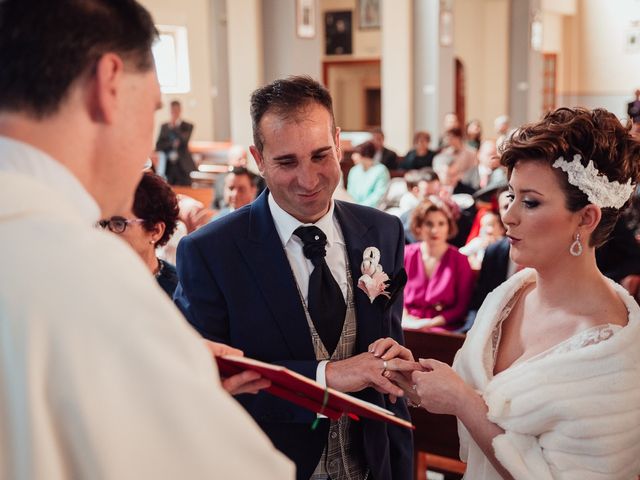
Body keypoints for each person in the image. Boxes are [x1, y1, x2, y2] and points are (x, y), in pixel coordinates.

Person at [0, 1, 294, 478]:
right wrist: (186, 384)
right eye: (153, 108)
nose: (147, 147)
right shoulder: (90, 271)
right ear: (109, 83)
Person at [174, 75, 413, 480]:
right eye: (286, 162)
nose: (308, 179)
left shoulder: (384, 232)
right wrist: (326, 376)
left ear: (339, 142)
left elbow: (387, 360)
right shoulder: (210, 252)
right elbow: (200, 382)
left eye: (321, 155)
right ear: (258, 157)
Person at [389, 107, 640, 479]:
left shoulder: (614, 351)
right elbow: (466, 384)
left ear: (586, 219)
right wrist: (414, 377)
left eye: (531, 202)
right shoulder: (509, 295)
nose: (508, 216)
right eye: (511, 196)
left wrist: (462, 400)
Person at [100, 171, 180, 297]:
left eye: (119, 224)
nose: (105, 233)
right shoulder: (91, 278)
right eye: (103, 223)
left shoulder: (179, 294)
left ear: (156, 231)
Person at [403, 200, 474, 331]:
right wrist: (405, 319)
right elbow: (393, 295)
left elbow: (461, 307)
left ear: (449, 227)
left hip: (443, 328)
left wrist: (429, 324)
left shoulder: (460, 260)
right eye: (429, 224)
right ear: (419, 226)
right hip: (406, 324)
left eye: (441, 224)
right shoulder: (405, 254)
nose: (435, 230)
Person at [155, 100, 197, 185]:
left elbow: (184, 141)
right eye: (172, 110)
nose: (174, 112)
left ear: (180, 110)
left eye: (176, 110)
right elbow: (159, 145)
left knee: (186, 189)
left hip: (183, 166)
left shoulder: (187, 126)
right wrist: (172, 143)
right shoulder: (164, 126)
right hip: (168, 166)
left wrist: (174, 126)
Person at [347, 140, 390, 207]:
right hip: (353, 208)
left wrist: (360, 207)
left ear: (365, 155)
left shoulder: (381, 170)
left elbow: (379, 196)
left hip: (373, 209)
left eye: (356, 153)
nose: (352, 156)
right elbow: (350, 193)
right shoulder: (354, 170)